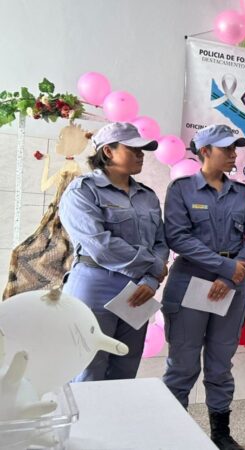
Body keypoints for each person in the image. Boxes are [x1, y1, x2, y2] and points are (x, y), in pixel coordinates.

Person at [161, 124, 245, 450]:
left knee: (221, 364)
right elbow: (178, 237)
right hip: (191, 281)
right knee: (183, 365)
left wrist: (231, 273)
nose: (234, 154)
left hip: (232, 284)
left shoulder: (242, 194)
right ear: (205, 151)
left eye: (235, 148)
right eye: (226, 149)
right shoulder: (181, 190)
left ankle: (221, 434)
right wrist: (224, 268)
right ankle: (173, 436)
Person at [59, 122, 168, 381]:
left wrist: (151, 281)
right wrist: (153, 267)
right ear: (108, 151)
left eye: (143, 151)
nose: (142, 155)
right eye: (134, 150)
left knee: (125, 367)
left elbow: (161, 242)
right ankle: (85, 423)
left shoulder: (147, 196)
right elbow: (101, 245)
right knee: (88, 369)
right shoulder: (82, 191)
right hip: (95, 285)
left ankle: (116, 421)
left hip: (138, 288)